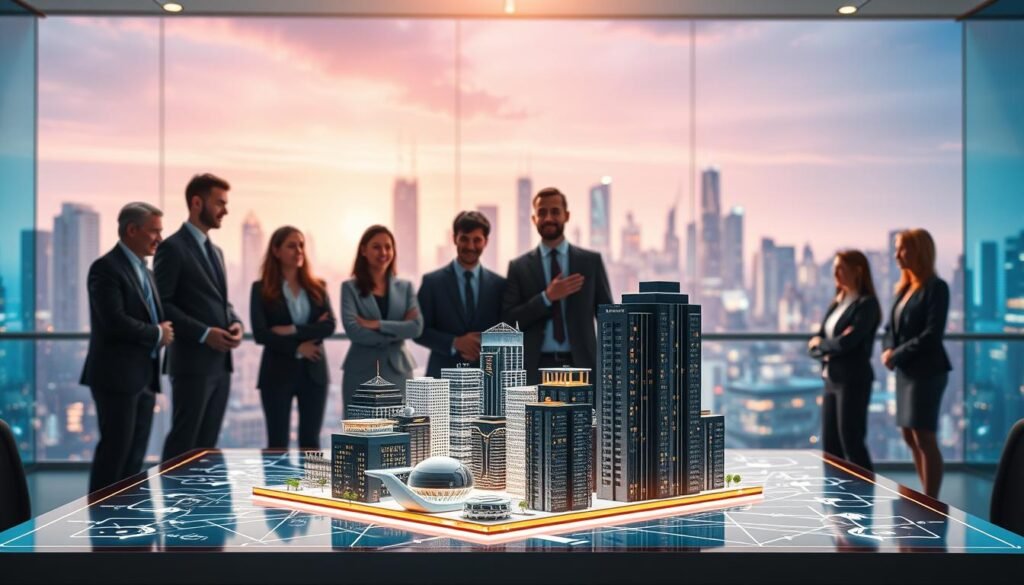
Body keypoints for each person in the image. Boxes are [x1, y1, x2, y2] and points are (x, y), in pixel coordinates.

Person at [81, 202, 174, 493]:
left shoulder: (146, 272)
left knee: (134, 458)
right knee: (114, 454)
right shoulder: (105, 268)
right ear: (132, 230)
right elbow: (114, 321)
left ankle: (126, 523)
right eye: (154, 231)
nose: (159, 238)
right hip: (116, 378)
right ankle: (100, 524)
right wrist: (157, 334)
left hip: (145, 378)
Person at [155, 173, 243, 461]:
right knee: (183, 443)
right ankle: (172, 503)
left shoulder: (216, 251)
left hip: (220, 365)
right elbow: (162, 305)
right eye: (219, 203)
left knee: (207, 447)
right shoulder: (172, 248)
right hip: (191, 364)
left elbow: (221, 302)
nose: (225, 210)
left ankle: (199, 505)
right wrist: (205, 333)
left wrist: (236, 324)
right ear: (196, 202)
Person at [502, 187, 612, 384]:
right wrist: (546, 298)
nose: (548, 218)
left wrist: (610, 366)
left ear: (566, 215)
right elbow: (509, 321)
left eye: (555, 211)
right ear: (534, 219)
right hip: (535, 370)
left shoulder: (590, 262)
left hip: (583, 367)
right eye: (542, 212)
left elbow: (607, 317)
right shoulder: (518, 267)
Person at [250, 227, 336, 450]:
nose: (298, 250)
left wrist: (292, 330)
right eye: (291, 245)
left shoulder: (318, 287)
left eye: (301, 245)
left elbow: (329, 326)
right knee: (277, 443)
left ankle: (311, 486)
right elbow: (261, 334)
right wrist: (299, 348)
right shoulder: (260, 289)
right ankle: (275, 486)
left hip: (314, 373)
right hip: (276, 373)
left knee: (311, 443)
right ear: (276, 251)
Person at [882, 228, 952, 499]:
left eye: (902, 249)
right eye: (896, 249)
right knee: (910, 437)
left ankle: (930, 499)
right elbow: (890, 328)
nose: (896, 255)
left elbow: (931, 335)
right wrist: (888, 349)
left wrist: (895, 355)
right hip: (905, 372)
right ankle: (925, 496)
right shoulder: (903, 289)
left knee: (924, 436)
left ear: (919, 252)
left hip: (927, 372)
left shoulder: (936, 288)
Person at [808, 250, 882, 472]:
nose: (835, 273)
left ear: (857, 271)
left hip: (853, 381)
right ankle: (834, 499)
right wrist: (824, 345)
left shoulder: (866, 305)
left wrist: (821, 345)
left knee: (852, 442)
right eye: (834, 267)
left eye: (841, 268)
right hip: (830, 380)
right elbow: (822, 340)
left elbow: (847, 343)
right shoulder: (837, 302)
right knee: (831, 448)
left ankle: (867, 498)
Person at [341, 225, 423, 415]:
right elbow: (354, 330)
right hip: (361, 370)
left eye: (388, 247)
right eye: (376, 247)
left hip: (398, 371)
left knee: (396, 434)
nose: (383, 252)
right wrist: (397, 331)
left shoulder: (406, 287)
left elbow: (416, 327)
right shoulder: (349, 288)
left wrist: (377, 325)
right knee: (359, 433)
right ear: (363, 250)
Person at [415, 211, 507, 377]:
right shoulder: (432, 283)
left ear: (486, 242)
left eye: (477, 240)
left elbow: (508, 331)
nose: (470, 246)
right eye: (464, 238)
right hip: (442, 380)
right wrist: (455, 343)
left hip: (487, 378)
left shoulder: (500, 286)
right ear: (454, 238)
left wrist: (482, 346)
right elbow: (418, 331)